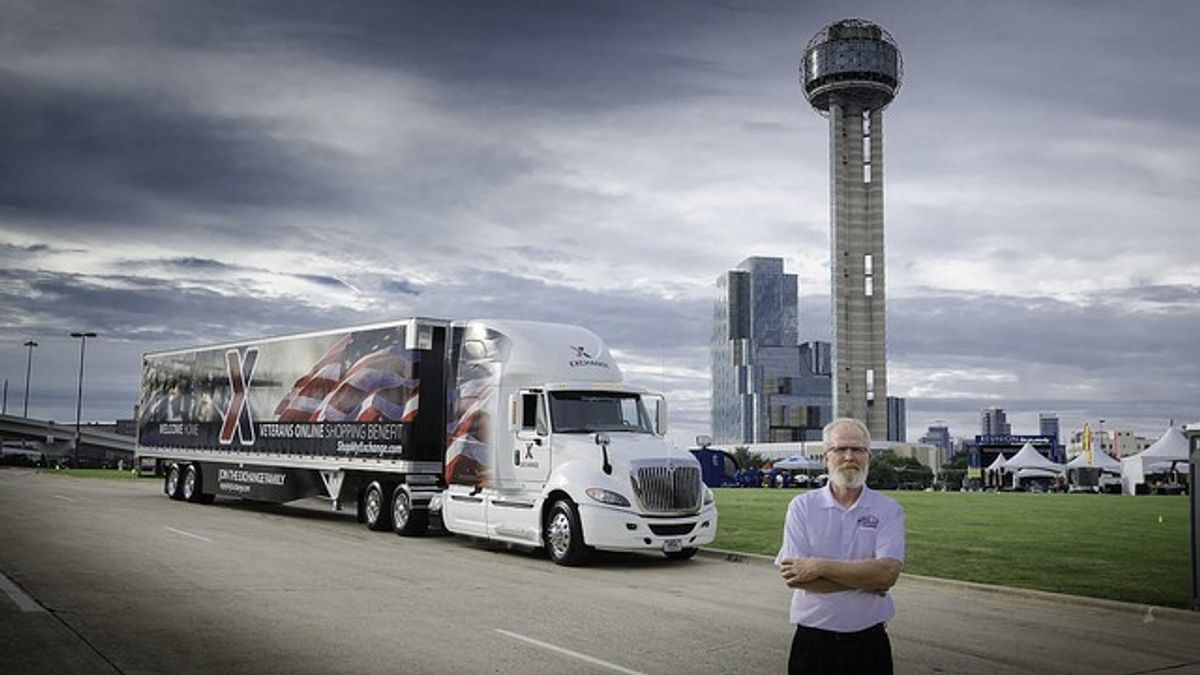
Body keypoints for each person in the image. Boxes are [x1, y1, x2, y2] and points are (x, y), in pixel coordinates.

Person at [776, 418, 905, 674]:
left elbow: (887, 575)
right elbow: (795, 579)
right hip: (813, 644)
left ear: (868, 457)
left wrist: (818, 566)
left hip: (869, 644)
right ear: (826, 456)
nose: (849, 457)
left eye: (857, 449)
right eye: (840, 449)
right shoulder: (802, 507)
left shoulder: (888, 509)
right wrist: (867, 580)